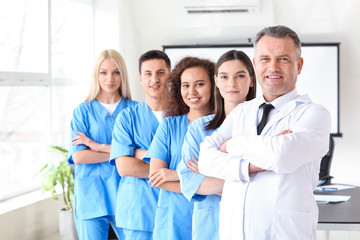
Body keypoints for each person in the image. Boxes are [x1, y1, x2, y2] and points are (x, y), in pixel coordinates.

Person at [198, 25, 331, 239]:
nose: (273, 66)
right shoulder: (242, 111)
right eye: (265, 59)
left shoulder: (314, 114)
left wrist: (232, 145)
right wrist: (250, 166)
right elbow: (205, 160)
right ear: (255, 65)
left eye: (283, 59)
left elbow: (282, 155)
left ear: (299, 65)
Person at [177, 50, 256, 240]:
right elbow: (189, 182)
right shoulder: (199, 129)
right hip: (210, 228)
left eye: (240, 76)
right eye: (224, 76)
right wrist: (246, 177)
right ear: (217, 81)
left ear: (252, 80)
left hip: (254, 224)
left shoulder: (264, 128)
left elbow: (273, 179)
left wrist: (213, 175)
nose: (232, 83)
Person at [68, 49, 137, 240]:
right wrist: (122, 154)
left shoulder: (135, 110)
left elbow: (143, 154)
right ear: (96, 75)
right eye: (103, 72)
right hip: (91, 196)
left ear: (123, 75)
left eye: (116, 72)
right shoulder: (82, 111)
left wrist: (96, 146)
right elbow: (79, 157)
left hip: (127, 194)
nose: (110, 78)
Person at [145, 57, 216, 240]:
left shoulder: (224, 126)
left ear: (214, 85)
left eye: (199, 84)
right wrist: (199, 181)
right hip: (174, 218)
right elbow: (156, 177)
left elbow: (229, 175)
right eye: (185, 85)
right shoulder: (169, 126)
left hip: (214, 215)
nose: (192, 91)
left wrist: (176, 174)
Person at [109, 50, 171, 239]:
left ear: (170, 75)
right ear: (140, 78)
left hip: (175, 212)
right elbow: (124, 167)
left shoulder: (184, 116)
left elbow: (191, 162)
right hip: (138, 212)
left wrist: (138, 154)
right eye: (148, 74)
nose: (155, 79)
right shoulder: (127, 118)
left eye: (161, 72)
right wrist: (170, 170)